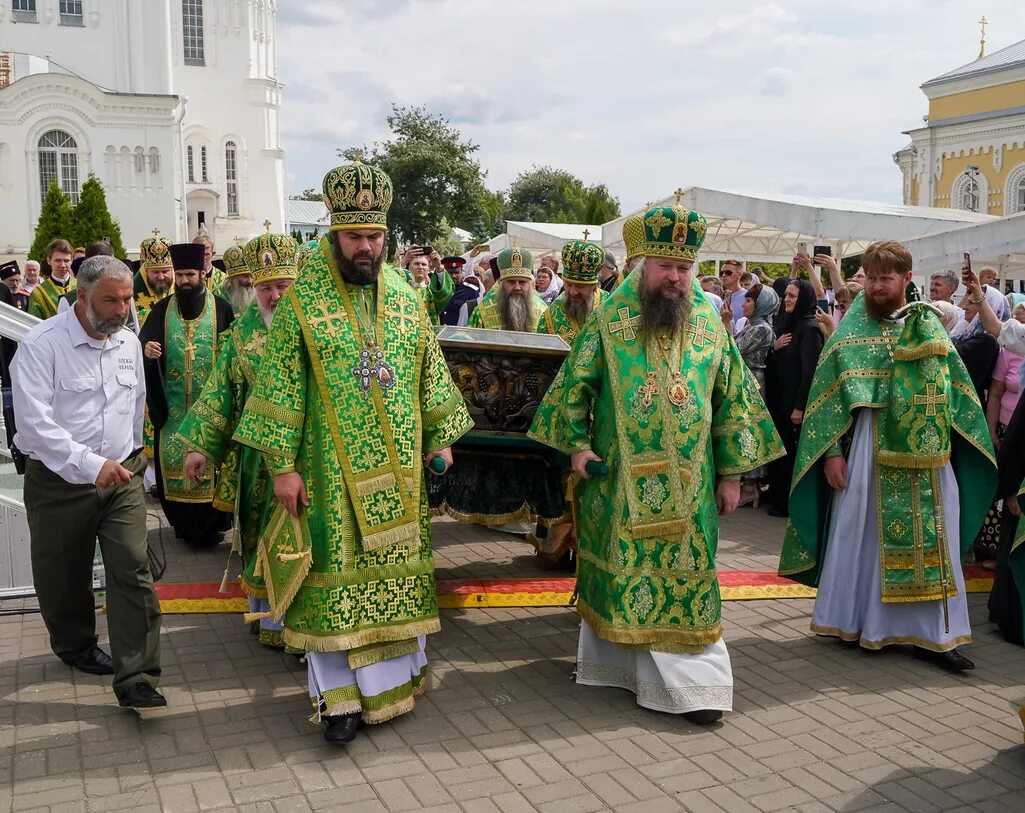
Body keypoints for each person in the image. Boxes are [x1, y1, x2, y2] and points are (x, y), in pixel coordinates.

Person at [233, 162, 472, 744]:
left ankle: (391, 688)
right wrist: (282, 467)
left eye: (375, 237)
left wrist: (440, 434)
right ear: (334, 235)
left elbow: (428, 370)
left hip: (400, 478)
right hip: (327, 476)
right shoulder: (303, 302)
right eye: (355, 237)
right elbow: (280, 386)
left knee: (391, 582)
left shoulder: (405, 297)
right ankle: (337, 700)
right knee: (333, 584)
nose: (366, 248)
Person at [528, 200, 782, 724]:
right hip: (618, 483)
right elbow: (573, 388)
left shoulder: (710, 324)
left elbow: (736, 400)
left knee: (688, 577)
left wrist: (734, 474)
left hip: (691, 489)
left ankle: (698, 689)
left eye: (684, 268)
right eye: (665, 267)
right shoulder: (609, 320)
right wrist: (576, 447)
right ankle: (620, 668)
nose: (675, 277)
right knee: (624, 576)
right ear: (642, 267)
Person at [778, 240, 996, 672]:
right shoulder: (851, 331)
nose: (877, 286)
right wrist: (831, 456)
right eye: (872, 278)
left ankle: (936, 637)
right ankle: (858, 621)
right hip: (867, 448)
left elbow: (960, 396)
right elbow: (829, 397)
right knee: (862, 535)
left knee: (937, 539)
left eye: (886, 278)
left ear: (905, 280)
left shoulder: (930, 328)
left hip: (929, 461)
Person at [11, 255, 164, 708]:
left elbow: (136, 403)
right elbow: (34, 425)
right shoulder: (41, 346)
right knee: (63, 576)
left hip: (121, 477)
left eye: (125, 300)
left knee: (133, 568)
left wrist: (133, 461)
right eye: (110, 301)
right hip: (59, 484)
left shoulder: (128, 344)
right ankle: (75, 645)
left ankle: (136, 674)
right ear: (81, 296)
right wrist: (87, 463)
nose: (122, 310)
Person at [178, 232, 298, 647]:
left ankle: (309, 624)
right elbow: (219, 395)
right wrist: (199, 446)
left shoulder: (321, 334)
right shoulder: (239, 339)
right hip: (257, 462)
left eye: (284, 285)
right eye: (266, 287)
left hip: (309, 457)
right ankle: (270, 620)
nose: (275, 296)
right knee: (262, 536)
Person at [138, 242, 234, 547]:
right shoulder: (162, 310)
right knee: (173, 466)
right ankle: (181, 525)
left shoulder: (221, 307)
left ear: (202, 275)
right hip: (174, 411)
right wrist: (148, 352)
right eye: (179, 275)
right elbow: (145, 344)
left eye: (190, 274)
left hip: (211, 410)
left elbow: (234, 353)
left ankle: (212, 527)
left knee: (211, 466)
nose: (184, 281)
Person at [765, 279, 823, 518]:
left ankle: (787, 503)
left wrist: (800, 407)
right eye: (786, 295)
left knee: (790, 452)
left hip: (794, 404)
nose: (787, 299)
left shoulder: (809, 329)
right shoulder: (788, 324)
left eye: (792, 296)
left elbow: (809, 372)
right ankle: (777, 498)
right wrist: (775, 348)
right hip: (781, 400)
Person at [538, 240, 607, 341]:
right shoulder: (551, 314)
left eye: (580, 286)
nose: (572, 292)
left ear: (593, 286)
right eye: (568, 285)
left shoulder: (609, 306)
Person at [468, 248, 547, 331]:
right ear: (501, 284)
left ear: (530, 284)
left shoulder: (543, 312)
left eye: (522, 282)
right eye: (511, 282)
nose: (517, 287)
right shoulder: (482, 311)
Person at [402, 247, 453, 324]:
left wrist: (439, 267)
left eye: (424, 264)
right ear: (409, 267)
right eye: (416, 264)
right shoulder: (402, 288)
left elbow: (445, 294)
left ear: (429, 269)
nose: (420, 267)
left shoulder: (433, 291)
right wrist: (403, 262)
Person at [28, 238, 75, 319]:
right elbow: (34, 324)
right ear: (49, 260)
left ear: (72, 260)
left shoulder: (81, 286)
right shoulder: (38, 293)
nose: (63, 265)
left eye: (66, 260)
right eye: (58, 260)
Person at [219, 243, 255, 315]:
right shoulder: (220, 295)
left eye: (252, 276)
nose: (250, 281)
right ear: (233, 278)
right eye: (245, 276)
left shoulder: (259, 294)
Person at [194, 229, 226, 294]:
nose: (203, 258)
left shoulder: (223, 278)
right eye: (199, 255)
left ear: (212, 254)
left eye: (207, 254)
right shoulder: (188, 277)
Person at [719, 259, 746, 332]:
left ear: (739, 274)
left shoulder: (747, 297)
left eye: (728, 272)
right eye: (722, 273)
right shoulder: (719, 296)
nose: (724, 275)